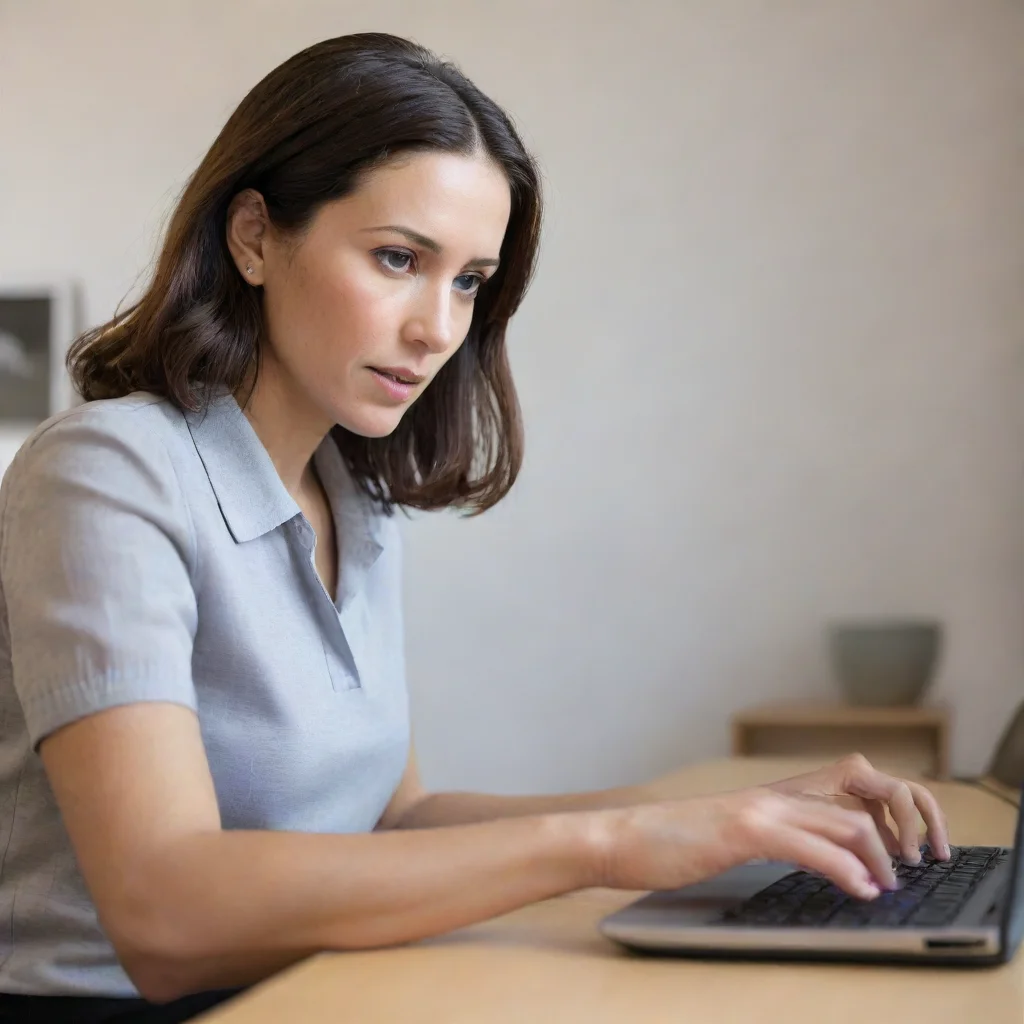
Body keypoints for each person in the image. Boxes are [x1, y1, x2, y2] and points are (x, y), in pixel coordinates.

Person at [0, 32, 949, 1023]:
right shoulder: (106, 471)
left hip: (317, 986)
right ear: (253, 237)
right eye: (398, 258)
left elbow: (395, 818)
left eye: (467, 281)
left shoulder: (352, 498)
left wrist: (717, 823)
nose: (437, 328)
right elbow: (164, 912)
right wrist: (607, 847)